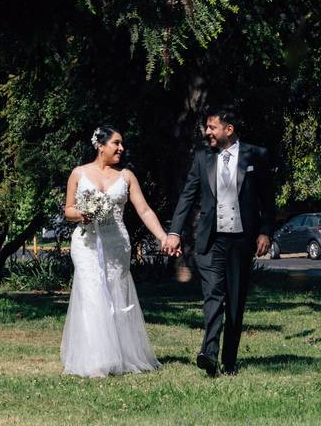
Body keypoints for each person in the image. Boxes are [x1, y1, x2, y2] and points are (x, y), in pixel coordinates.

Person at [162, 106, 275, 376]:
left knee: (235, 301)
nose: (207, 132)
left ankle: (229, 360)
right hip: (211, 240)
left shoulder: (256, 155)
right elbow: (187, 196)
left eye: (212, 127)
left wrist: (266, 231)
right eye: (207, 127)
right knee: (213, 295)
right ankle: (209, 353)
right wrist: (175, 231)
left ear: (229, 129)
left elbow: (268, 200)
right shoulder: (202, 158)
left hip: (241, 239)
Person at [60, 124, 173, 377]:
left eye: (122, 144)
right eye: (116, 143)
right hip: (86, 243)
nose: (122, 148)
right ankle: (96, 359)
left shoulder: (127, 176)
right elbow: (68, 209)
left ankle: (121, 354)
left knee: (116, 295)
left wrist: (164, 237)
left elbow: (144, 210)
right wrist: (82, 213)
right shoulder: (79, 173)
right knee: (91, 294)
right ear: (100, 146)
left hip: (116, 244)